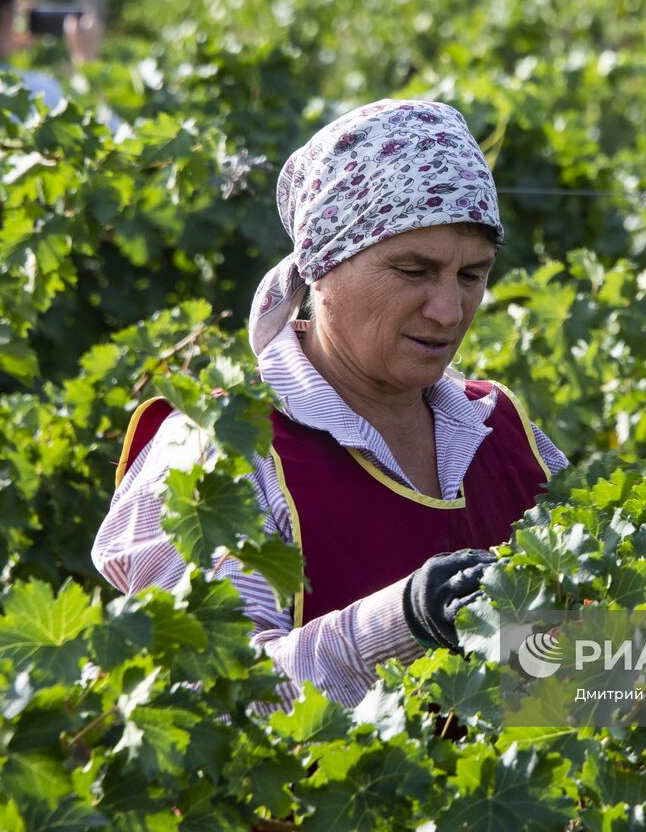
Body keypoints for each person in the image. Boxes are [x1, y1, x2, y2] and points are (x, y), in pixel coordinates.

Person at [93, 99, 568, 708]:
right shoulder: (222, 453)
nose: (449, 311)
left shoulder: (502, 432)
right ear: (322, 267)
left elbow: (586, 672)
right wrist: (402, 624)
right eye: (413, 270)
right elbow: (205, 700)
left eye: (471, 275)